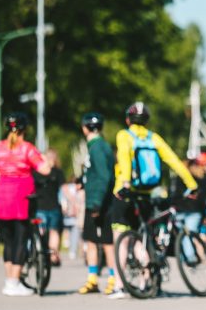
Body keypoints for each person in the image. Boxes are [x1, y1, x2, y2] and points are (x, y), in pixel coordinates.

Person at [110, 102, 197, 296]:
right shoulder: (154, 138)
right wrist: (191, 183)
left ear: (127, 120)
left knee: (121, 241)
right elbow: (173, 160)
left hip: (125, 193)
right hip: (147, 194)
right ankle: (145, 283)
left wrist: (125, 182)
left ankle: (119, 285)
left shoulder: (124, 135)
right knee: (143, 239)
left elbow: (123, 157)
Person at [0, 112, 51, 296]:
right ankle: (14, 282)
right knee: (20, 239)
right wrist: (45, 158)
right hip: (20, 196)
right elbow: (45, 169)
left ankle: (9, 281)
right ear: (25, 129)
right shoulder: (27, 149)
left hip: (1, 196)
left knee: (8, 240)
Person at [78, 112, 117, 295]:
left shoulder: (98, 147)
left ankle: (112, 279)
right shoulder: (97, 146)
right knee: (92, 241)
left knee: (106, 242)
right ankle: (92, 279)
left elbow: (103, 176)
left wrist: (96, 203)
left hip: (99, 202)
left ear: (85, 128)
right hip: (95, 199)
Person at [33, 149, 66, 267]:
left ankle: (40, 252)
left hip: (39, 207)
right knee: (54, 232)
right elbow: (64, 190)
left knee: (41, 230)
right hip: (54, 206)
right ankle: (53, 255)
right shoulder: (57, 172)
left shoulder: (35, 172)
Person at [61, 177, 84, 261]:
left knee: (73, 232)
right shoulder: (75, 190)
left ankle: (73, 249)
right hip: (73, 214)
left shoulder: (66, 189)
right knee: (74, 232)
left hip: (70, 214)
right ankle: (73, 250)